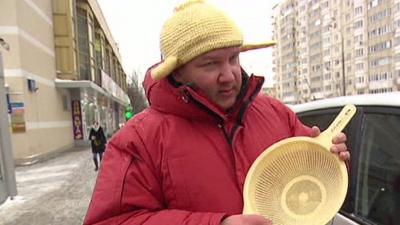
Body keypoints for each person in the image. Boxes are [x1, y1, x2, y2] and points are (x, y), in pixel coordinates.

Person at [83, 1, 350, 224]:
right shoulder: (139, 140)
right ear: (177, 71)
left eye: (234, 58)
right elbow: (114, 220)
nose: (229, 75)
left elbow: (309, 187)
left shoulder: (276, 113)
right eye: (211, 64)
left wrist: (330, 160)